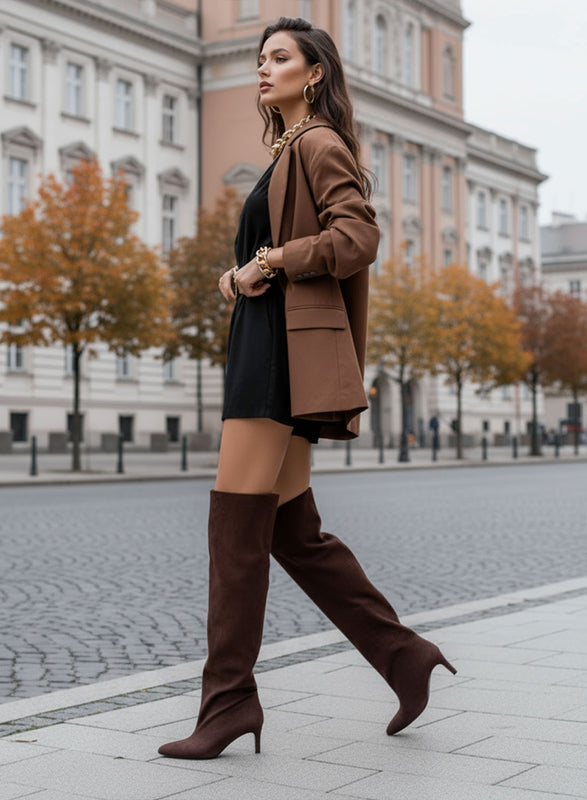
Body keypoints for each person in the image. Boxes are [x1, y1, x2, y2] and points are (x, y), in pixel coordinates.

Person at [158, 16, 456, 761]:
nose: (264, 68)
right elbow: (280, 254)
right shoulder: (286, 150)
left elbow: (358, 238)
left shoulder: (319, 143)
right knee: (292, 531)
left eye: (279, 58)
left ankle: (228, 702)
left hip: (277, 358)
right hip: (268, 341)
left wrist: (271, 261)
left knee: (234, 529)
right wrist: (242, 272)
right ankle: (400, 655)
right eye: (259, 58)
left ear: (313, 72)